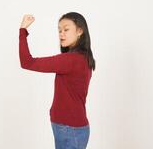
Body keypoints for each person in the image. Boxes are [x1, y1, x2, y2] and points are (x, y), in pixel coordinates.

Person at [19, 12, 96, 149]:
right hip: (70, 129)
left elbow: (27, 62)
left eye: (66, 29)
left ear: (80, 31)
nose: (61, 33)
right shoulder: (82, 58)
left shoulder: (71, 60)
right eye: (59, 30)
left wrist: (23, 30)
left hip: (69, 130)